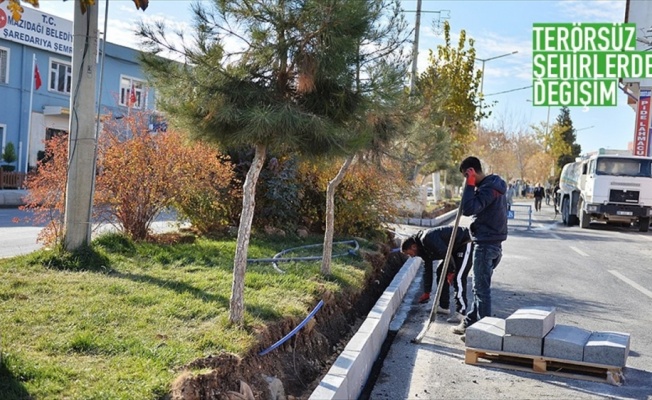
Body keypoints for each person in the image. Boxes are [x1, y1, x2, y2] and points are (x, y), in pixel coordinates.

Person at [452, 156, 508, 339]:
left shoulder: (487, 190)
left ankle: (484, 334)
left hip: (486, 245)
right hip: (493, 244)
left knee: (481, 290)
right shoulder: (492, 185)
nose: (467, 180)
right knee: (480, 287)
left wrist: (468, 185)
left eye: (466, 175)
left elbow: (468, 208)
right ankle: (471, 321)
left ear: (471, 172)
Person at [401, 226, 474, 323]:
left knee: (458, 277)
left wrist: (452, 271)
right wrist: (427, 292)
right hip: (452, 250)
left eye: (408, 253)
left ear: (413, 246)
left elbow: (445, 253)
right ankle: (444, 306)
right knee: (441, 272)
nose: (411, 256)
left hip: (464, 243)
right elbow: (428, 269)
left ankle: (461, 313)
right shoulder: (421, 249)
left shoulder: (427, 238)